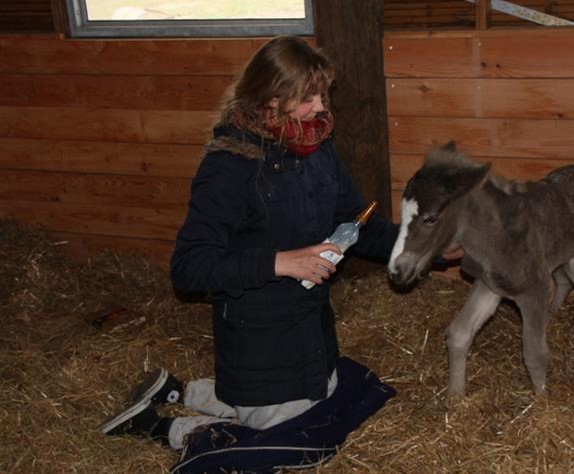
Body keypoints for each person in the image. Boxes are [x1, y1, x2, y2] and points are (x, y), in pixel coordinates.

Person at [99, 35, 403, 451]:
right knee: (298, 445)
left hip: (311, 335)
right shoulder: (230, 165)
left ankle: (182, 392)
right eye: (309, 97)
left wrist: (420, 247)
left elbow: (356, 223)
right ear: (270, 99)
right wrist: (280, 263)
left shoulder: (315, 147)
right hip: (258, 340)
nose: (322, 106)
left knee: (333, 403)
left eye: (323, 94)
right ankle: (158, 427)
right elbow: (188, 268)